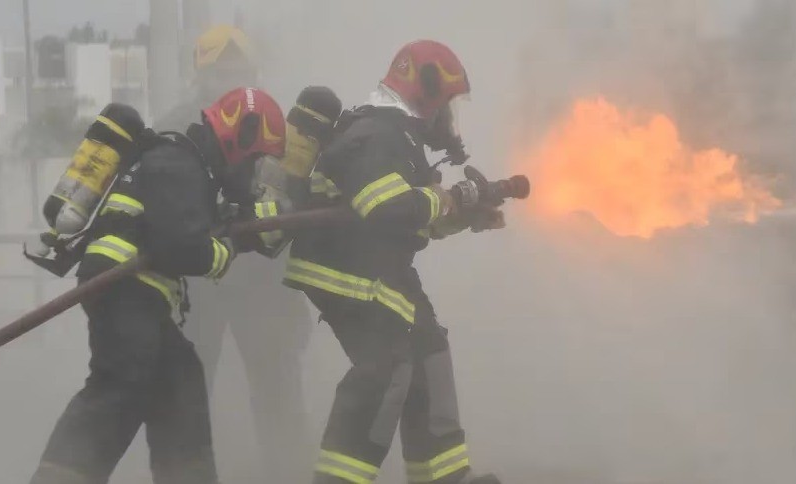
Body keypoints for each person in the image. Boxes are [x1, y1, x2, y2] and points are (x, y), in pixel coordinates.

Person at [29, 87, 287, 484]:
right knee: (120, 383)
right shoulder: (178, 161)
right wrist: (228, 248)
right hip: (125, 287)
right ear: (242, 136)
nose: (254, 174)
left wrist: (241, 228)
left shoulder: (189, 169)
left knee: (179, 381)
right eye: (256, 160)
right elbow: (182, 247)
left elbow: (188, 226)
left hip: (139, 292)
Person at [284, 40, 504, 484]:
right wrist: (448, 198)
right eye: (448, 106)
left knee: (429, 353)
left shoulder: (400, 141)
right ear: (424, 93)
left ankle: (443, 477)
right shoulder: (375, 135)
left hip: (380, 268)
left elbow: (412, 220)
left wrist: (465, 215)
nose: (450, 120)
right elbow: (385, 209)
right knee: (386, 368)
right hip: (347, 272)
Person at [156, 25, 323, 482]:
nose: (231, 79)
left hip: (264, 282)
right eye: (221, 70)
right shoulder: (173, 128)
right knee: (189, 385)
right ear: (200, 75)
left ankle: (286, 469)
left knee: (277, 384)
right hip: (198, 281)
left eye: (240, 69)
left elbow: (297, 198)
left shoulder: (279, 126)